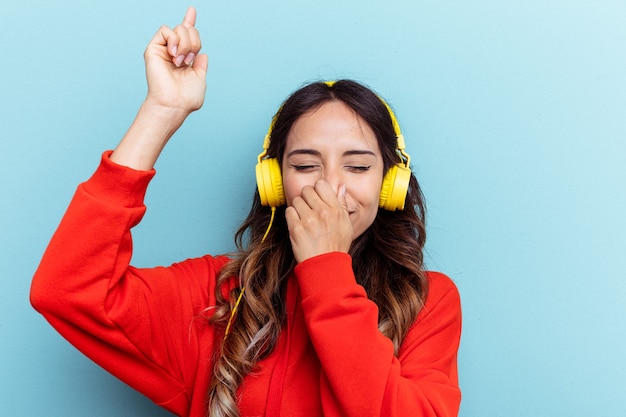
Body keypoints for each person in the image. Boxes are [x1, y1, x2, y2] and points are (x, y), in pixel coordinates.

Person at [30, 7, 462, 417]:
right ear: (274, 184)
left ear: (391, 184)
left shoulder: (428, 303)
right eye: (306, 165)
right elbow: (67, 290)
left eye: (359, 166)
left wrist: (326, 273)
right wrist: (161, 112)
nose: (330, 187)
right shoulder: (218, 299)